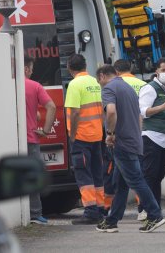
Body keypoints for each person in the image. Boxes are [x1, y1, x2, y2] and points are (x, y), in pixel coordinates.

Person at [96, 64, 165, 233]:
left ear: (103, 76)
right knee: (120, 184)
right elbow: (139, 116)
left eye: (99, 81)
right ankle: (112, 220)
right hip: (134, 139)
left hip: (122, 142)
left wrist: (110, 133)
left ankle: (155, 215)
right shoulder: (128, 88)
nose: (100, 84)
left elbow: (111, 112)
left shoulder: (108, 89)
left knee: (136, 180)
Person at [64, 54, 104, 225]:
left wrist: (72, 135)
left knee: (83, 173)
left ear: (69, 68)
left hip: (81, 136)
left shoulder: (74, 84)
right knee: (97, 173)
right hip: (97, 135)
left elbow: (74, 112)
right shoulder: (95, 82)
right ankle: (101, 208)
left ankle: (90, 211)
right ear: (85, 65)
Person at [138, 58, 165, 212]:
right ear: (157, 71)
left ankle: (155, 210)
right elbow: (143, 111)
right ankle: (145, 210)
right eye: (163, 70)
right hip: (151, 137)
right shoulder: (150, 88)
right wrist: (162, 107)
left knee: (158, 176)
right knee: (150, 176)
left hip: (164, 138)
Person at [24, 56, 56, 224]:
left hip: (10, 138)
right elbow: (51, 106)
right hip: (30, 138)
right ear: (26, 69)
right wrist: (45, 129)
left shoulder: (5, 84)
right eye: (31, 68)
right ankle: (35, 213)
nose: (32, 71)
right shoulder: (34, 86)